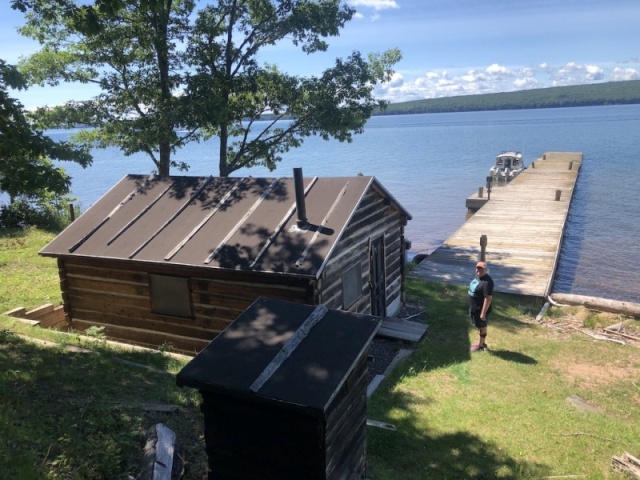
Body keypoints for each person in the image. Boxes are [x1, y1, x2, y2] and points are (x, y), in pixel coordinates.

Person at [468, 261, 494, 351]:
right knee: (479, 326)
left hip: (480, 310)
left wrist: (483, 313)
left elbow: (488, 298)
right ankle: (482, 343)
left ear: (485, 270)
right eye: (477, 268)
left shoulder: (486, 282)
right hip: (475, 308)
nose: (478, 270)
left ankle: (481, 345)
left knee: (482, 326)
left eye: (481, 269)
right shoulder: (479, 278)